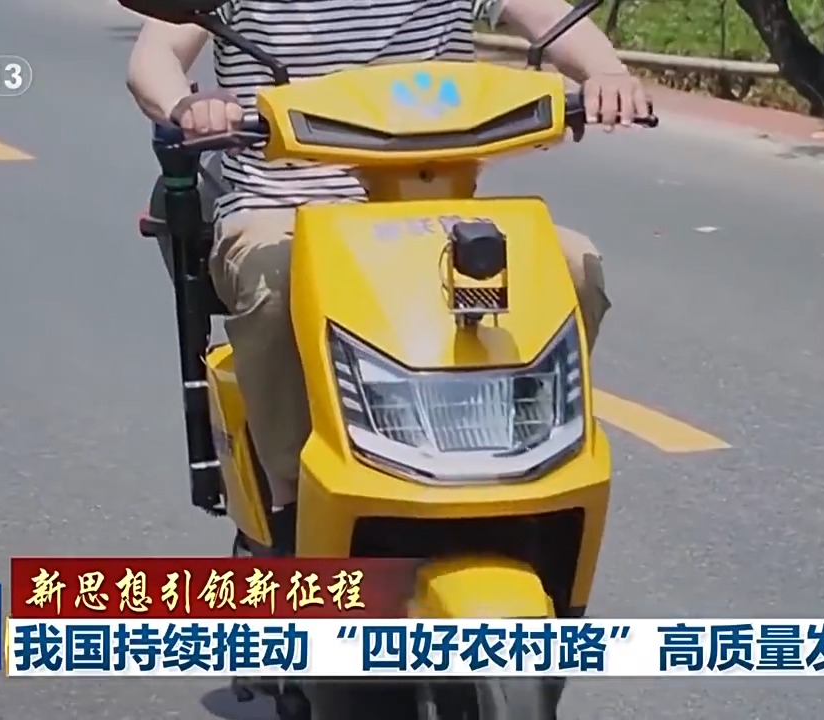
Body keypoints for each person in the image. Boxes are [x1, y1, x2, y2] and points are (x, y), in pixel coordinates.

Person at [127, 0, 649, 545]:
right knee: (277, 281)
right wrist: (188, 104)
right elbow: (153, 57)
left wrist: (607, 73)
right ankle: (290, 502)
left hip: (435, 207)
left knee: (571, 265)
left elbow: (545, 17)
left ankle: (527, 455)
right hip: (281, 206)